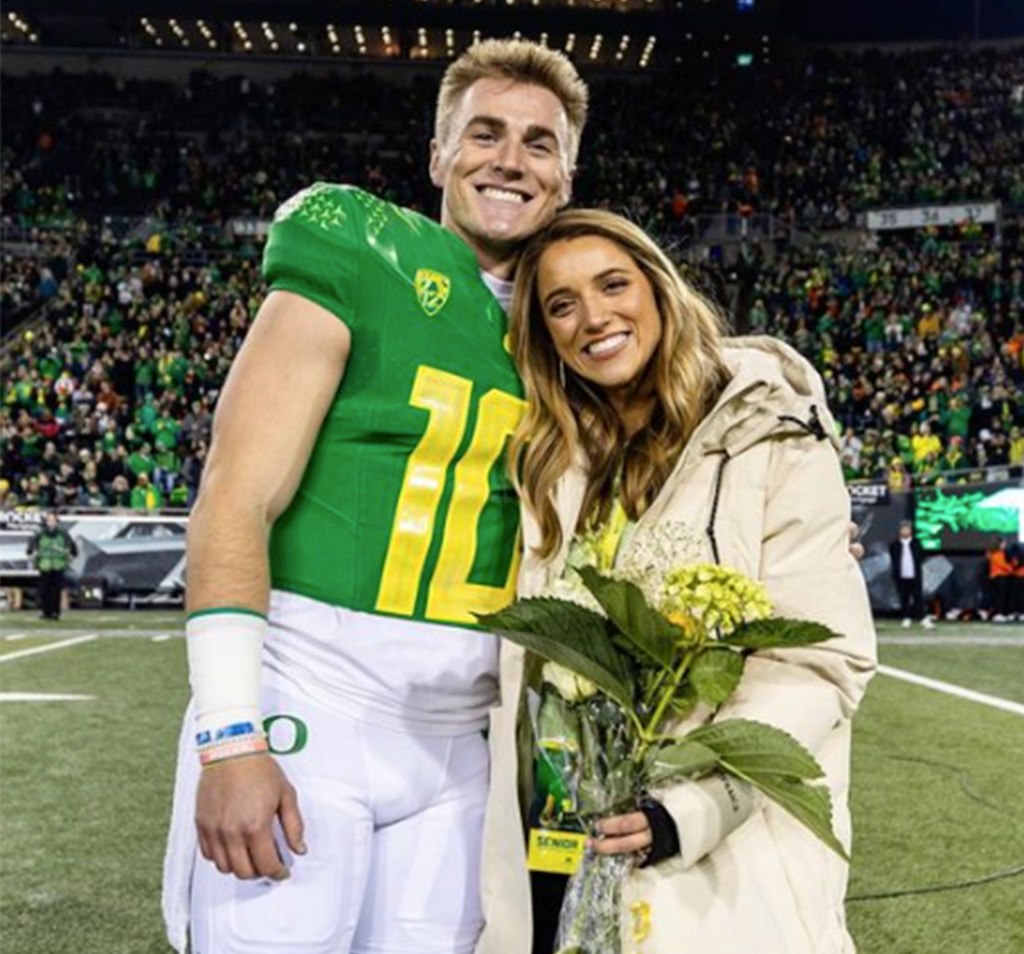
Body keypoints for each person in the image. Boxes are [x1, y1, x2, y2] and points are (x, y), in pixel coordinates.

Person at [162, 40, 588, 954]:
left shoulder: (571, 326)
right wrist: (232, 736)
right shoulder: (363, 245)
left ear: (568, 173)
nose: (510, 159)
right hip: (313, 697)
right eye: (484, 133)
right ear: (438, 155)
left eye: (539, 143)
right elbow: (233, 498)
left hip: (463, 742)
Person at [478, 209, 877, 954]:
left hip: (718, 860)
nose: (593, 317)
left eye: (613, 285)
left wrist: (689, 807)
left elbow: (821, 659)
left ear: (659, 289)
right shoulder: (546, 455)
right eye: (561, 305)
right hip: (554, 849)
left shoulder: (773, 433)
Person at [26, 510, 78, 620]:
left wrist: (70, 555)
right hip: (44, 565)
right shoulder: (40, 534)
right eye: (49, 520)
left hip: (58, 565)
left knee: (56, 590)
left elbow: (72, 548)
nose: (51, 522)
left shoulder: (63, 534)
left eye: (53, 520)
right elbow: (31, 548)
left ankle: (55, 612)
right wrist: (33, 554)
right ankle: (45, 611)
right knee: (44, 590)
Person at [888, 520, 934, 629]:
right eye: (903, 529)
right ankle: (906, 618)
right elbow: (894, 558)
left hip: (914, 575)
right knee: (904, 597)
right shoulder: (895, 545)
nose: (905, 531)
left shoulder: (916, 543)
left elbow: (921, 556)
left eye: (907, 529)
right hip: (901, 575)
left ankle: (922, 618)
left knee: (918, 597)